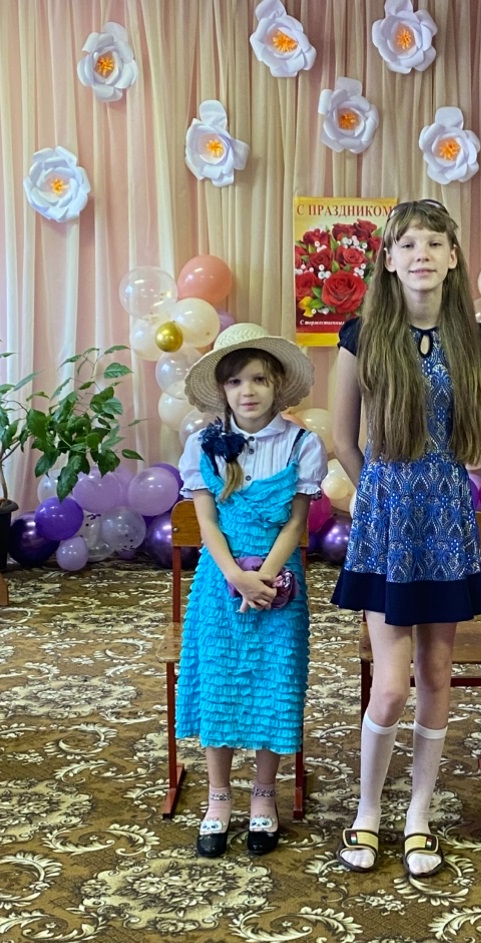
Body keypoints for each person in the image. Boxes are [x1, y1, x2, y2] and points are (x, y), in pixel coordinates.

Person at [331, 199, 481, 877]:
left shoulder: (475, 339)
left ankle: (418, 816)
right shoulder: (362, 335)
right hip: (388, 523)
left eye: (434, 243)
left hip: (447, 522)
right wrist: (381, 499)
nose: (421, 253)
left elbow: (476, 443)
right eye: (408, 244)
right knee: (392, 686)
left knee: (435, 676)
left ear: (453, 258)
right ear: (390, 260)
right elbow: (344, 439)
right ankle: (368, 810)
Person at [176, 322, 327, 859]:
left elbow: (296, 524)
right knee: (219, 685)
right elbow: (208, 525)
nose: (248, 391)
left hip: (279, 587)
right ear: (222, 389)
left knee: (274, 686)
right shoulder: (203, 445)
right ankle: (218, 796)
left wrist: (264, 578)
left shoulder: (302, 443)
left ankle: (265, 794)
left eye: (259, 378)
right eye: (236, 381)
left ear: (276, 384)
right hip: (218, 586)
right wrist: (237, 577)